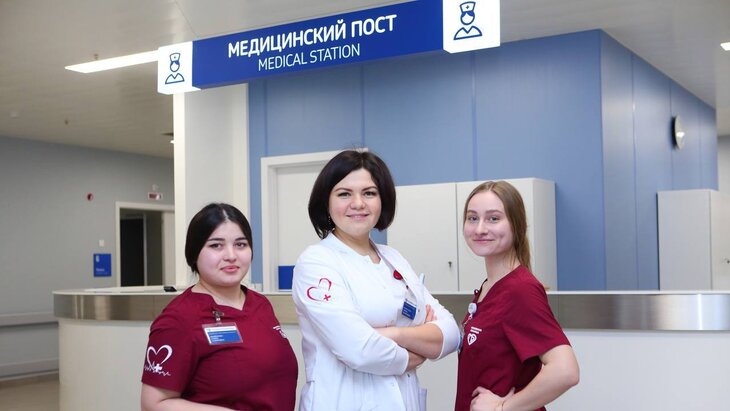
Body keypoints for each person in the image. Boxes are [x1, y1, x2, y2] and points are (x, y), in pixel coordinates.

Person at [292, 150, 461, 411]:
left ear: (383, 200)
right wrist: (415, 347)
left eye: (369, 193)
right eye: (344, 194)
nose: (358, 203)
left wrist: (393, 334)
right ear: (326, 202)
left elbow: (450, 333)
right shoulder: (316, 262)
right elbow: (360, 350)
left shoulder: (394, 258)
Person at [141, 203, 298, 411]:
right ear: (194, 253)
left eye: (240, 244)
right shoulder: (179, 319)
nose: (231, 255)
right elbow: (153, 404)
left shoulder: (259, 304)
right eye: (216, 245)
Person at [455, 181, 579, 411]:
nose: (480, 228)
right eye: (472, 218)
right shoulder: (489, 287)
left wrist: (502, 408)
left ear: (516, 224)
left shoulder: (520, 290)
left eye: (493, 218)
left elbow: (565, 370)